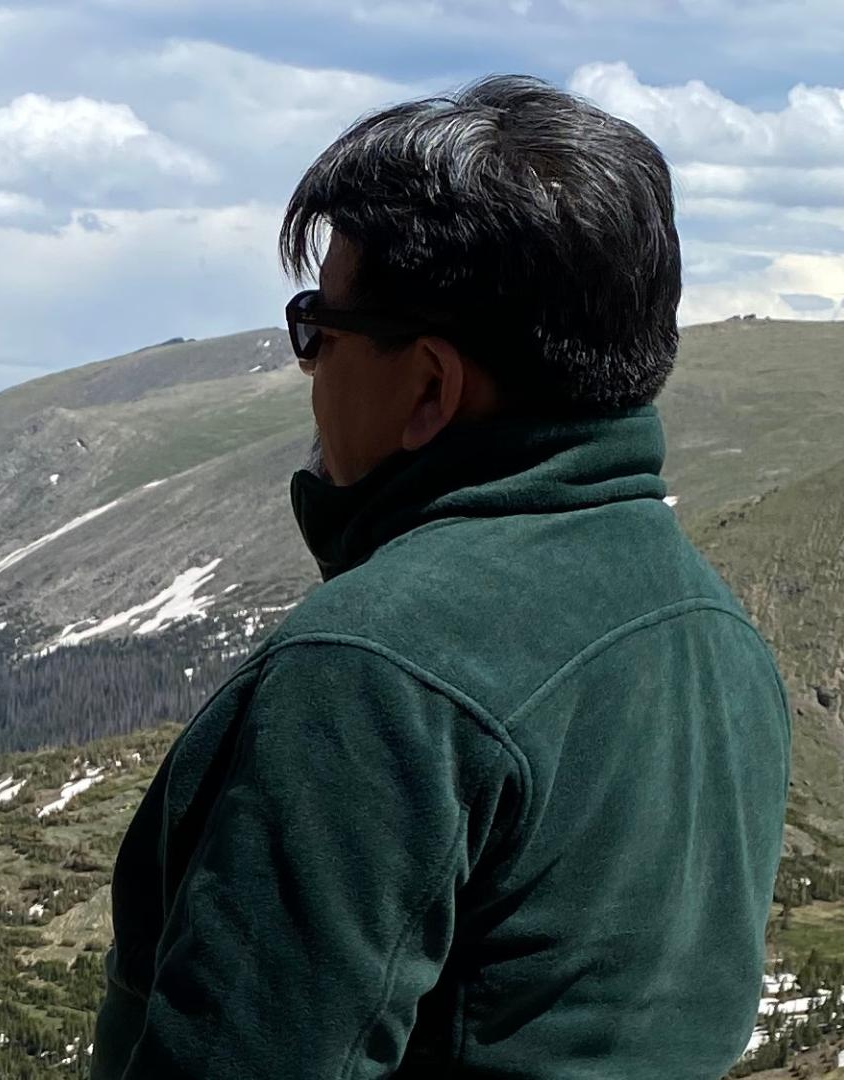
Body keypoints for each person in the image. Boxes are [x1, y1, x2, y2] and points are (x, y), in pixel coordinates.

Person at [93, 76, 789, 1078]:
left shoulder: (373, 672)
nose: (306, 366)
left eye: (315, 327)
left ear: (428, 384)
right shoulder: (715, 631)